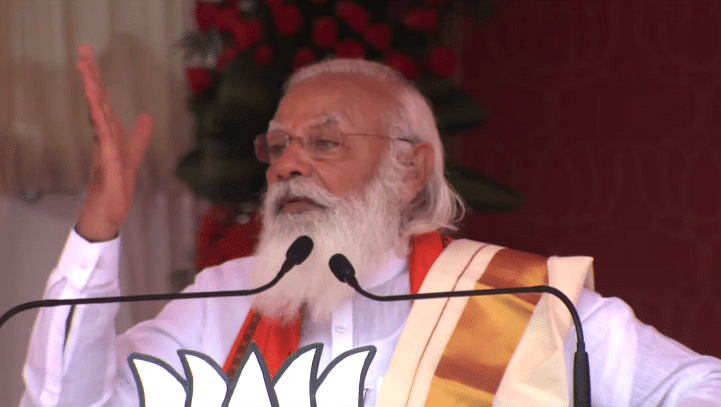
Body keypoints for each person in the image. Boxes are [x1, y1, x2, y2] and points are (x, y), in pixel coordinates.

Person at [20, 45, 721, 407]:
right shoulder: (224, 298)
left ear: (411, 170)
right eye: (278, 145)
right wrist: (98, 230)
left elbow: (693, 387)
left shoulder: (516, 300)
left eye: (324, 143)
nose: (289, 165)